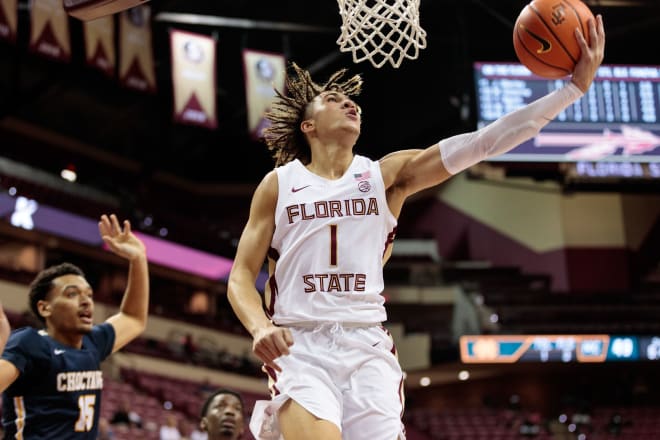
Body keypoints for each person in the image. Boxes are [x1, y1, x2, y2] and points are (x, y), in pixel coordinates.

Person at [226, 15, 605, 440]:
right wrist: (260, 327)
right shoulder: (279, 184)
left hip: (365, 345)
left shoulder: (385, 176)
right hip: (300, 345)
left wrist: (572, 91)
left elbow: (482, 143)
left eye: (354, 103)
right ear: (307, 125)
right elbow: (241, 275)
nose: (350, 103)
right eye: (333, 99)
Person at [0, 214, 149, 439]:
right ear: (45, 308)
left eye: (89, 294)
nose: (86, 300)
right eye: (72, 294)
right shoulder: (30, 343)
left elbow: (134, 318)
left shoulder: (93, 343)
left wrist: (138, 259)